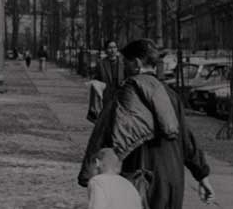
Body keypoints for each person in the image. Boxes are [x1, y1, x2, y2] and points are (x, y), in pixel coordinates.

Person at [79, 39, 214, 209]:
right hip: (172, 180)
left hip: (139, 178)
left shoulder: (124, 96)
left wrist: (87, 176)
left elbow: (100, 135)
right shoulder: (171, 96)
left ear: (136, 63)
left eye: (125, 62)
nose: (123, 67)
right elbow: (187, 140)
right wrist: (202, 176)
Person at [88, 39, 126, 121]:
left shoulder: (123, 62)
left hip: (120, 97)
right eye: (110, 48)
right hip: (106, 98)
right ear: (106, 50)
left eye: (114, 47)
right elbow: (96, 80)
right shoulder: (101, 64)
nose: (112, 50)